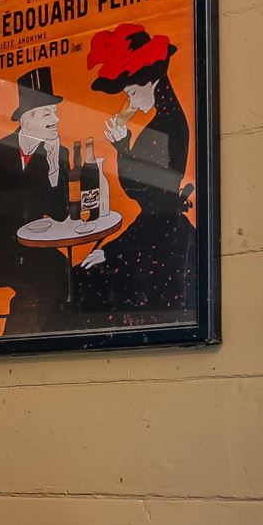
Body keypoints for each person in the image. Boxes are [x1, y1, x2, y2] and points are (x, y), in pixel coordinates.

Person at [76, 22, 196, 321]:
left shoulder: (165, 126)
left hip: (160, 240)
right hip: (156, 232)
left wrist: (122, 147)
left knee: (84, 282)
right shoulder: (165, 120)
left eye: (131, 91)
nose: (129, 100)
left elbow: (144, 192)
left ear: (151, 84)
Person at [0, 67, 87, 335]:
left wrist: (54, 168)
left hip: (28, 251)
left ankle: (17, 343)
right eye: (47, 113)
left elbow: (60, 213)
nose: (56, 119)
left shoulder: (58, 154)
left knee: (61, 279)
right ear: (27, 120)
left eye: (55, 112)